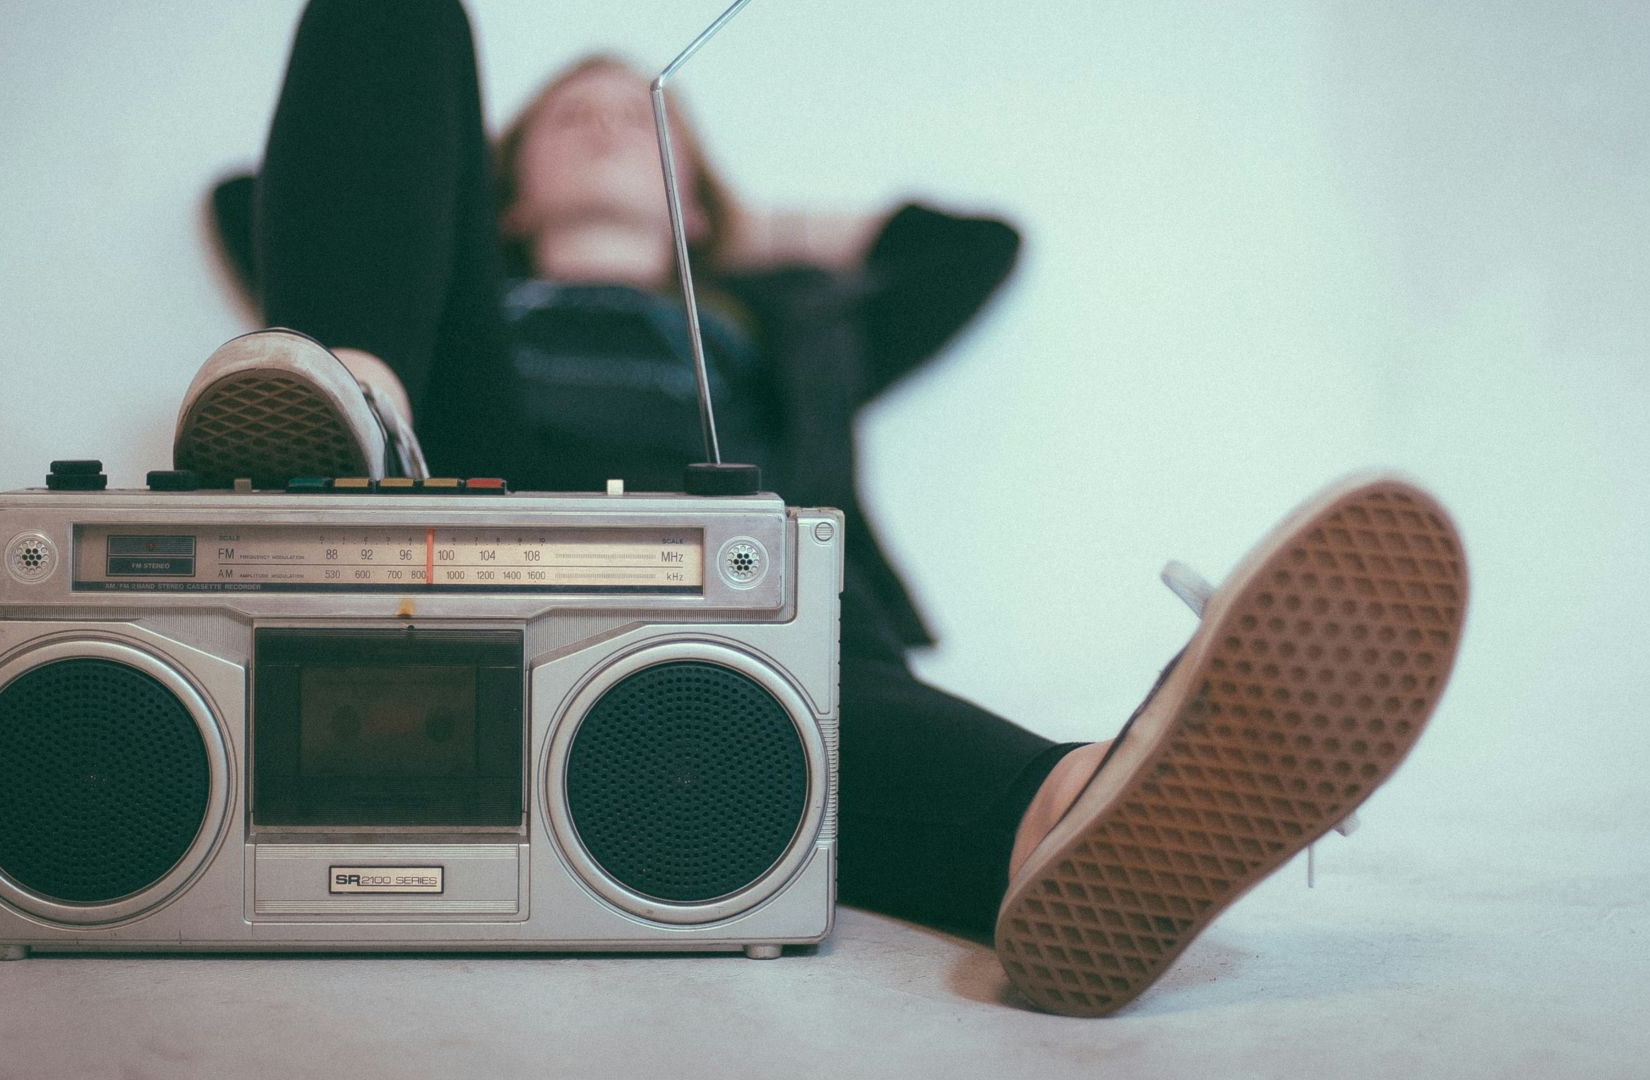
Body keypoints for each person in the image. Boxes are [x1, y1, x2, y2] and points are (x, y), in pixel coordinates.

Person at [179, 0, 1469, 1017]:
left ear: (699, 193)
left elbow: (975, 246)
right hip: (464, 510)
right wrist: (434, 252)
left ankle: (1078, 811)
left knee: (811, 651)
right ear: (498, 185)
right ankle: (350, 409)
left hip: (733, 597)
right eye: (566, 119)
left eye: (641, 121)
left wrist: (741, 233)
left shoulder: (789, 325)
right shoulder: (467, 303)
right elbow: (263, 198)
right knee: (393, 8)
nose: (601, 125)